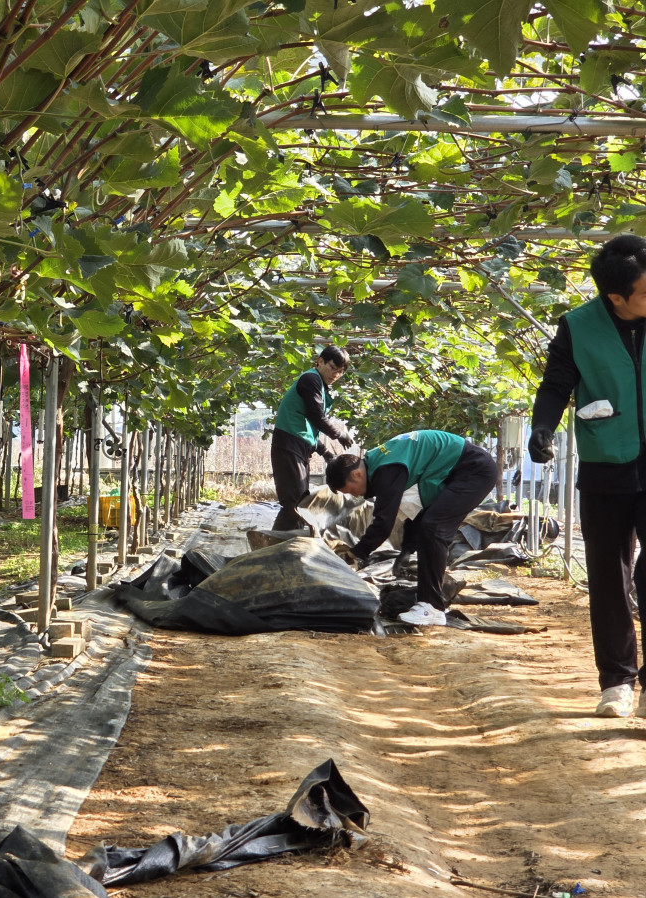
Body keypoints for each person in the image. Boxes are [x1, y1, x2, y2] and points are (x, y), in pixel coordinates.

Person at [529, 233, 646, 717]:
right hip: (605, 466)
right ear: (615, 297)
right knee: (606, 574)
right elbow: (557, 382)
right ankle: (617, 682)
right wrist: (542, 428)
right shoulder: (577, 327)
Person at [325, 430, 498, 627]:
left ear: (356, 474)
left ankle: (432, 607)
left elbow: (383, 523)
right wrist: (407, 549)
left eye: (351, 490)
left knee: (434, 529)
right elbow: (420, 513)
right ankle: (430, 603)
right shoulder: (380, 461)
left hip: (474, 470)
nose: (356, 496)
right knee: (429, 524)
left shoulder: (385, 469)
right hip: (461, 470)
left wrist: (355, 555)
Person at [270, 345, 354, 530]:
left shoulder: (319, 385)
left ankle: (282, 546)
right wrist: (340, 434)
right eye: (333, 368)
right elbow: (317, 417)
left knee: (299, 500)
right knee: (294, 503)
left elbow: (305, 426)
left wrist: (325, 452)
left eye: (340, 372)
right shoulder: (311, 379)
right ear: (320, 361)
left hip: (295, 445)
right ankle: (275, 548)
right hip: (288, 445)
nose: (336, 374)